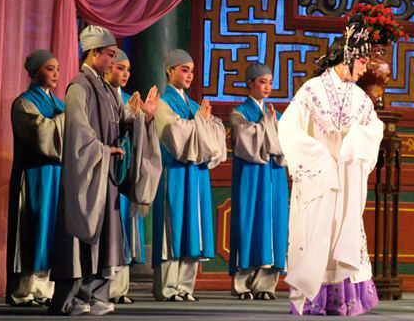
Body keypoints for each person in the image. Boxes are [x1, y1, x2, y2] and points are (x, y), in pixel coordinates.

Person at [48, 26, 162, 316]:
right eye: (110, 55)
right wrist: (102, 150)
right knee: (81, 234)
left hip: (106, 174)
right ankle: (71, 298)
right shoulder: (79, 86)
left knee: (107, 235)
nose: (113, 61)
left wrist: (145, 117)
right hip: (86, 174)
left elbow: (126, 121)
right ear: (93, 52)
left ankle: (96, 294)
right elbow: (78, 130)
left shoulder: (108, 90)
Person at [278, 15, 384, 315]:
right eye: (362, 62)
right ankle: (314, 298)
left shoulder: (360, 98)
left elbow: (374, 129)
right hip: (319, 177)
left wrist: (355, 142)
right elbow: (288, 127)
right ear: (347, 58)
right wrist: (318, 156)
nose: (365, 69)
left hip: (346, 178)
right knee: (316, 232)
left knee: (343, 231)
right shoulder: (311, 90)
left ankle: (342, 298)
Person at [152, 49, 227, 302]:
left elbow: (216, 134)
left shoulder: (194, 106)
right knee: (173, 225)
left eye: (192, 71)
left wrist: (201, 124)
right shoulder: (163, 104)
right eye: (184, 70)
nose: (190, 75)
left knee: (194, 226)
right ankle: (168, 287)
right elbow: (175, 133)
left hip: (197, 174)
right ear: (169, 71)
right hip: (174, 172)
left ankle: (185, 287)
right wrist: (201, 124)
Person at [6, 50, 65, 307]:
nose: (56, 74)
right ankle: (23, 291)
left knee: (51, 229)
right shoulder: (24, 103)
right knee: (31, 227)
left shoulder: (59, 103)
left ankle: (45, 290)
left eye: (57, 69)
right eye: (50, 68)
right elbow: (41, 134)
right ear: (34, 72)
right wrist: (66, 119)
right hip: (33, 175)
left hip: (56, 175)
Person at [228, 62, 289, 300]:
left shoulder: (276, 113)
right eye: (263, 82)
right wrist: (267, 126)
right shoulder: (240, 112)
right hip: (251, 175)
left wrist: (271, 126)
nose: (267, 87)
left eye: (270, 82)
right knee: (249, 222)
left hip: (274, 176)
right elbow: (245, 142)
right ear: (250, 84)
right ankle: (242, 284)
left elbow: (286, 143)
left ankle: (266, 284)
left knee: (273, 224)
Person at [103, 49, 145, 304]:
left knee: (125, 226)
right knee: (109, 226)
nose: (126, 74)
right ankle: (104, 288)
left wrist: (144, 117)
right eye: (120, 68)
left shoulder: (130, 100)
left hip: (126, 170)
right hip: (106, 167)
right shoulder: (101, 96)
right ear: (108, 67)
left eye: (128, 69)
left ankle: (120, 289)